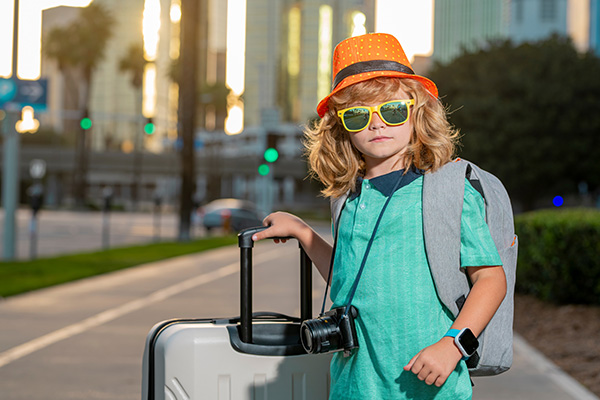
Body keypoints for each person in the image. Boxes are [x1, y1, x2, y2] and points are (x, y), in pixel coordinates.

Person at [252, 33, 506, 399]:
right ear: (341, 125)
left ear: (416, 113)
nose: (377, 124)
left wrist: (453, 345)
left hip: (431, 388)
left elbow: (490, 279)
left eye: (392, 110)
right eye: (358, 114)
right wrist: (303, 232)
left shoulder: (447, 192)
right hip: (355, 386)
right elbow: (347, 276)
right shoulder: (349, 199)